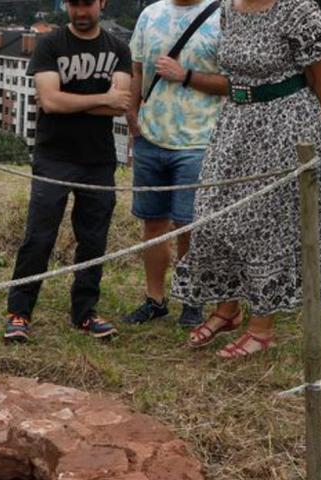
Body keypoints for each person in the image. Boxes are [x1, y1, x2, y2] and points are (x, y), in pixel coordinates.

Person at [172, 0, 321, 358]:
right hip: (235, 121)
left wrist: (309, 129)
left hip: (285, 125)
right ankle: (227, 310)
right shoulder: (229, 7)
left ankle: (262, 328)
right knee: (213, 214)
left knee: (263, 224)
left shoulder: (297, 9)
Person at [2, 0, 132, 344]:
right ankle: (19, 312)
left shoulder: (118, 48)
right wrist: (96, 99)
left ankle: (85, 312)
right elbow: (50, 102)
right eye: (74, 3)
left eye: (87, 3)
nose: (80, 11)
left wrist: (68, 99)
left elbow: (119, 105)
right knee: (39, 236)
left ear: (101, 3)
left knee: (93, 238)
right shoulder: (50, 44)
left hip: (99, 158)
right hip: (53, 154)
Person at [122, 0, 226, 329]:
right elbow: (138, 70)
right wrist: (133, 117)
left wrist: (186, 76)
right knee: (152, 225)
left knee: (188, 226)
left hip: (199, 140)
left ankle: (191, 301)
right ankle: (155, 300)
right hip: (150, 137)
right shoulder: (150, 15)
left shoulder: (223, 15)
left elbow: (233, 81)